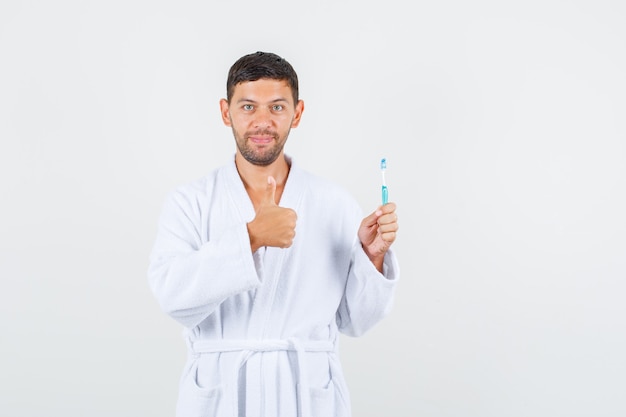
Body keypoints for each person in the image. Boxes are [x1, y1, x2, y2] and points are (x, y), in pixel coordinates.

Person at [148, 51, 400, 417]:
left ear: (297, 114)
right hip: (222, 394)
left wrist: (372, 255)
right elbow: (172, 296)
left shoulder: (334, 203)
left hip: (306, 395)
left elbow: (356, 322)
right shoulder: (190, 202)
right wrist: (250, 237)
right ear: (225, 111)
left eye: (277, 108)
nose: (262, 122)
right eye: (248, 107)